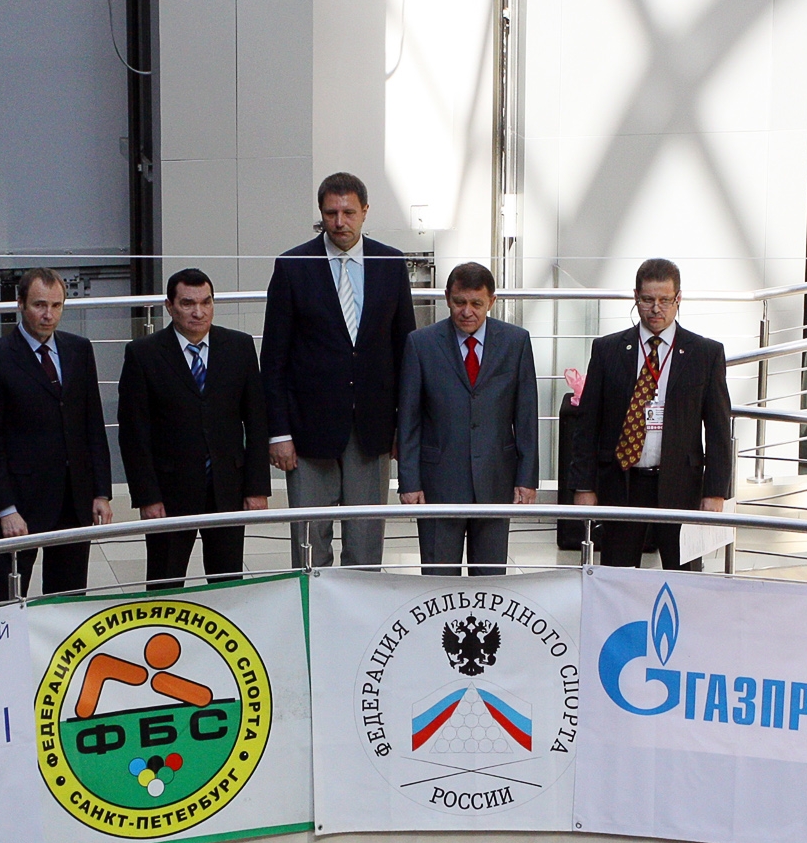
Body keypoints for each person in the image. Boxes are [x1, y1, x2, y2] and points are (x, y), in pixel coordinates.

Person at [260, 172, 416, 569]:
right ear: (321, 213)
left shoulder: (390, 263)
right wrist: (279, 432)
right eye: (331, 213)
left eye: (348, 212)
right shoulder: (293, 266)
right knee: (310, 546)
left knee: (365, 546)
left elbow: (405, 351)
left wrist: (404, 426)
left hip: (372, 429)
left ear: (365, 212)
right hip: (307, 432)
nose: (339, 222)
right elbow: (274, 358)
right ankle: (314, 609)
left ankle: (360, 610)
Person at [565, 258, 733, 570]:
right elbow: (587, 425)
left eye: (665, 300)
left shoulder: (705, 354)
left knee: (683, 578)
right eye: (647, 300)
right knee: (617, 577)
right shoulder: (607, 350)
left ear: (678, 299)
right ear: (635, 297)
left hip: (680, 485)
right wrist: (584, 486)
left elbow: (719, 429)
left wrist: (715, 493)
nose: (656, 309)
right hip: (623, 483)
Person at [116, 269, 270, 589]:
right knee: (165, 584)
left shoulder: (239, 347)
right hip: (170, 493)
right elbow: (133, 434)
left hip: (227, 489)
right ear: (169, 306)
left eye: (206, 302)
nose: (198, 312)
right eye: (187, 303)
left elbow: (256, 422)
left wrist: (256, 488)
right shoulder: (143, 354)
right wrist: (147, 497)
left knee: (228, 585)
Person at [0, 267, 113, 601]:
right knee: (9, 599)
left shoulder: (79, 350)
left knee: (68, 600)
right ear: (20, 304)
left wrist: (101, 491)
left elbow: (92, 424)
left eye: (56, 306)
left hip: (74, 499)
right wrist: (5, 508)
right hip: (22, 502)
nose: (49, 314)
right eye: (40, 305)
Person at [396, 262, 539, 576]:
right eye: (460, 302)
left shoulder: (515, 342)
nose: (467, 311)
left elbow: (526, 415)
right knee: (438, 580)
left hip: (496, 479)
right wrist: (409, 480)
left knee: (489, 580)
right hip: (438, 483)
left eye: (476, 303)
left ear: (492, 301)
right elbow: (409, 419)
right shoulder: (421, 343)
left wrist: (527, 477)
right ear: (447, 297)